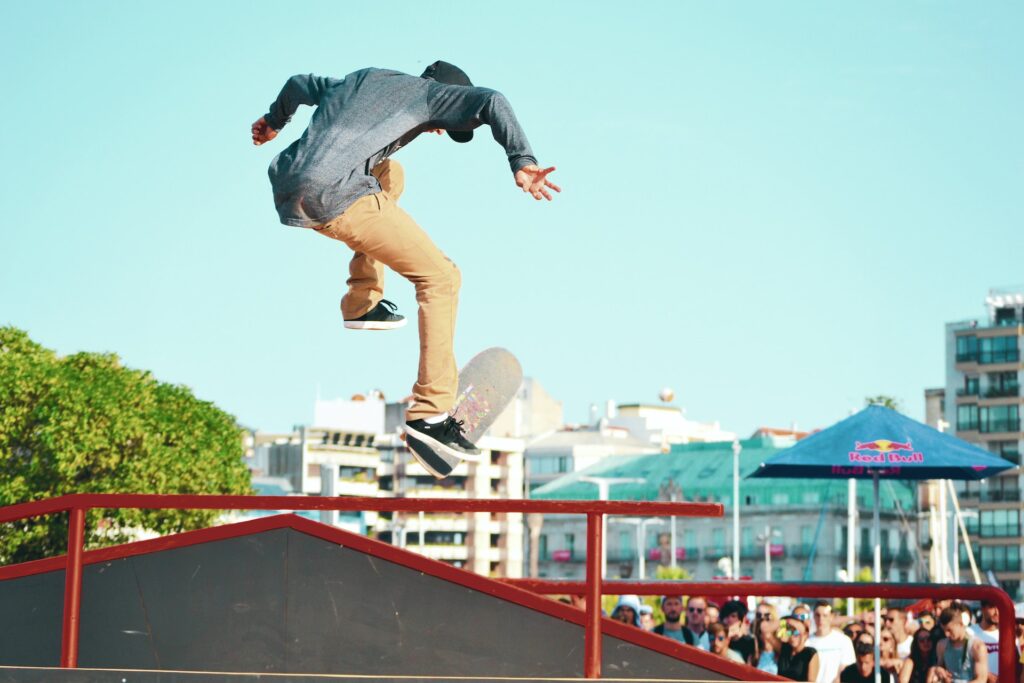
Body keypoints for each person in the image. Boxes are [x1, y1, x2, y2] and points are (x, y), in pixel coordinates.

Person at [252, 62, 559, 478]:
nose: (436, 131)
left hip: (287, 184)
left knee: (390, 173)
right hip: (335, 196)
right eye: (442, 126)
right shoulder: (432, 95)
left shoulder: (358, 80)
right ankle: (428, 417)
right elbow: (492, 101)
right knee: (442, 278)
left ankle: (362, 301)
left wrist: (273, 121)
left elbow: (297, 84)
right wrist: (522, 160)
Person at [930, 604, 988, 683]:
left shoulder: (977, 647)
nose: (946, 634)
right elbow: (939, 667)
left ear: (961, 624)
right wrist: (939, 670)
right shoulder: (941, 645)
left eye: (949, 630)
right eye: (944, 630)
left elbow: (981, 680)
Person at [808, 600, 857, 683]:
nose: (821, 619)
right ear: (813, 616)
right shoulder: (807, 641)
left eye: (825, 615)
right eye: (817, 615)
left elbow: (846, 669)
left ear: (831, 616)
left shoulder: (844, 641)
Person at [970, 600, 1007, 683]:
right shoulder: (969, 632)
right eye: (992, 607)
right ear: (983, 608)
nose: (997, 612)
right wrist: (985, 674)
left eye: (999, 607)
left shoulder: (1008, 634)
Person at [779, 614, 821, 682]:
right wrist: (787, 622)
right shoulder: (784, 649)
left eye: (796, 632)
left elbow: (811, 681)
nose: (793, 636)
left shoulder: (810, 653)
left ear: (805, 635)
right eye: (790, 632)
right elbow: (770, 629)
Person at [721, 599, 756, 664]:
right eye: (726, 616)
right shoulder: (719, 638)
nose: (729, 619)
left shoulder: (749, 642)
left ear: (741, 620)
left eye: (733, 616)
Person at [756, 607, 783, 675]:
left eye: (767, 615)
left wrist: (768, 635)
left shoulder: (783, 643)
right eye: (759, 615)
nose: (762, 618)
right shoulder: (754, 645)